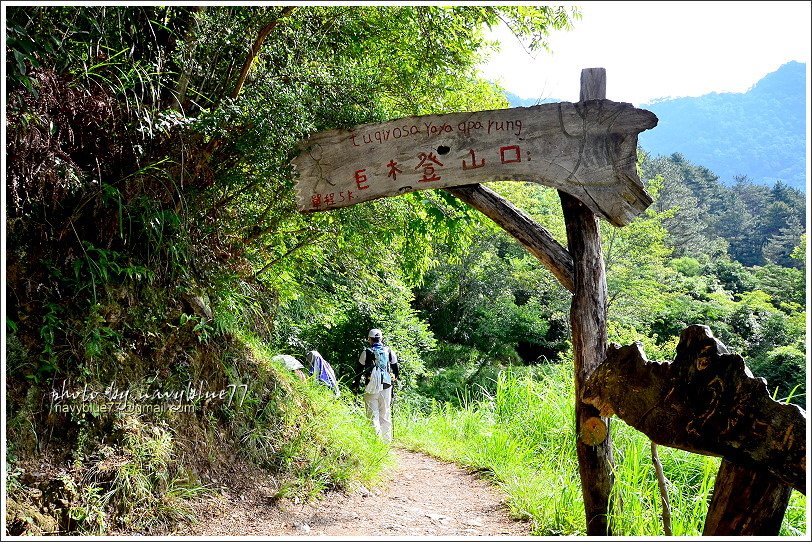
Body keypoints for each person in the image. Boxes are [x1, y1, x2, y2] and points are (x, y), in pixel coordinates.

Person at [354, 328, 399, 442]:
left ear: (370, 339)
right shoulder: (389, 351)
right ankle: (386, 441)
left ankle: (375, 441)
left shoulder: (366, 352)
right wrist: (393, 379)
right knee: (385, 413)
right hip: (386, 386)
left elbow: (358, 371)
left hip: (371, 386)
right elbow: (396, 369)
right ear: (381, 338)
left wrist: (356, 385)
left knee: (372, 414)